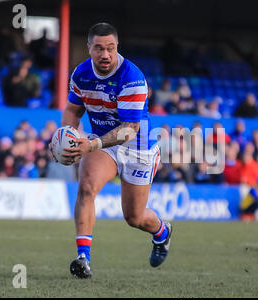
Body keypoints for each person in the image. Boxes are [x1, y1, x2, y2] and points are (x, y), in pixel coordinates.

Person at [49, 23, 172, 279]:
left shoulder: (132, 77)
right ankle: (84, 258)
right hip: (104, 145)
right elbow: (73, 111)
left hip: (137, 146)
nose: (105, 54)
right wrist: (66, 137)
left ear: (117, 47)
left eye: (111, 48)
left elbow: (129, 130)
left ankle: (162, 233)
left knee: (134, 217)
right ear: (89, 48)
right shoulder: (80, 74)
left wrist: (90, 144)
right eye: (99, 48)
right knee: (86, 187)